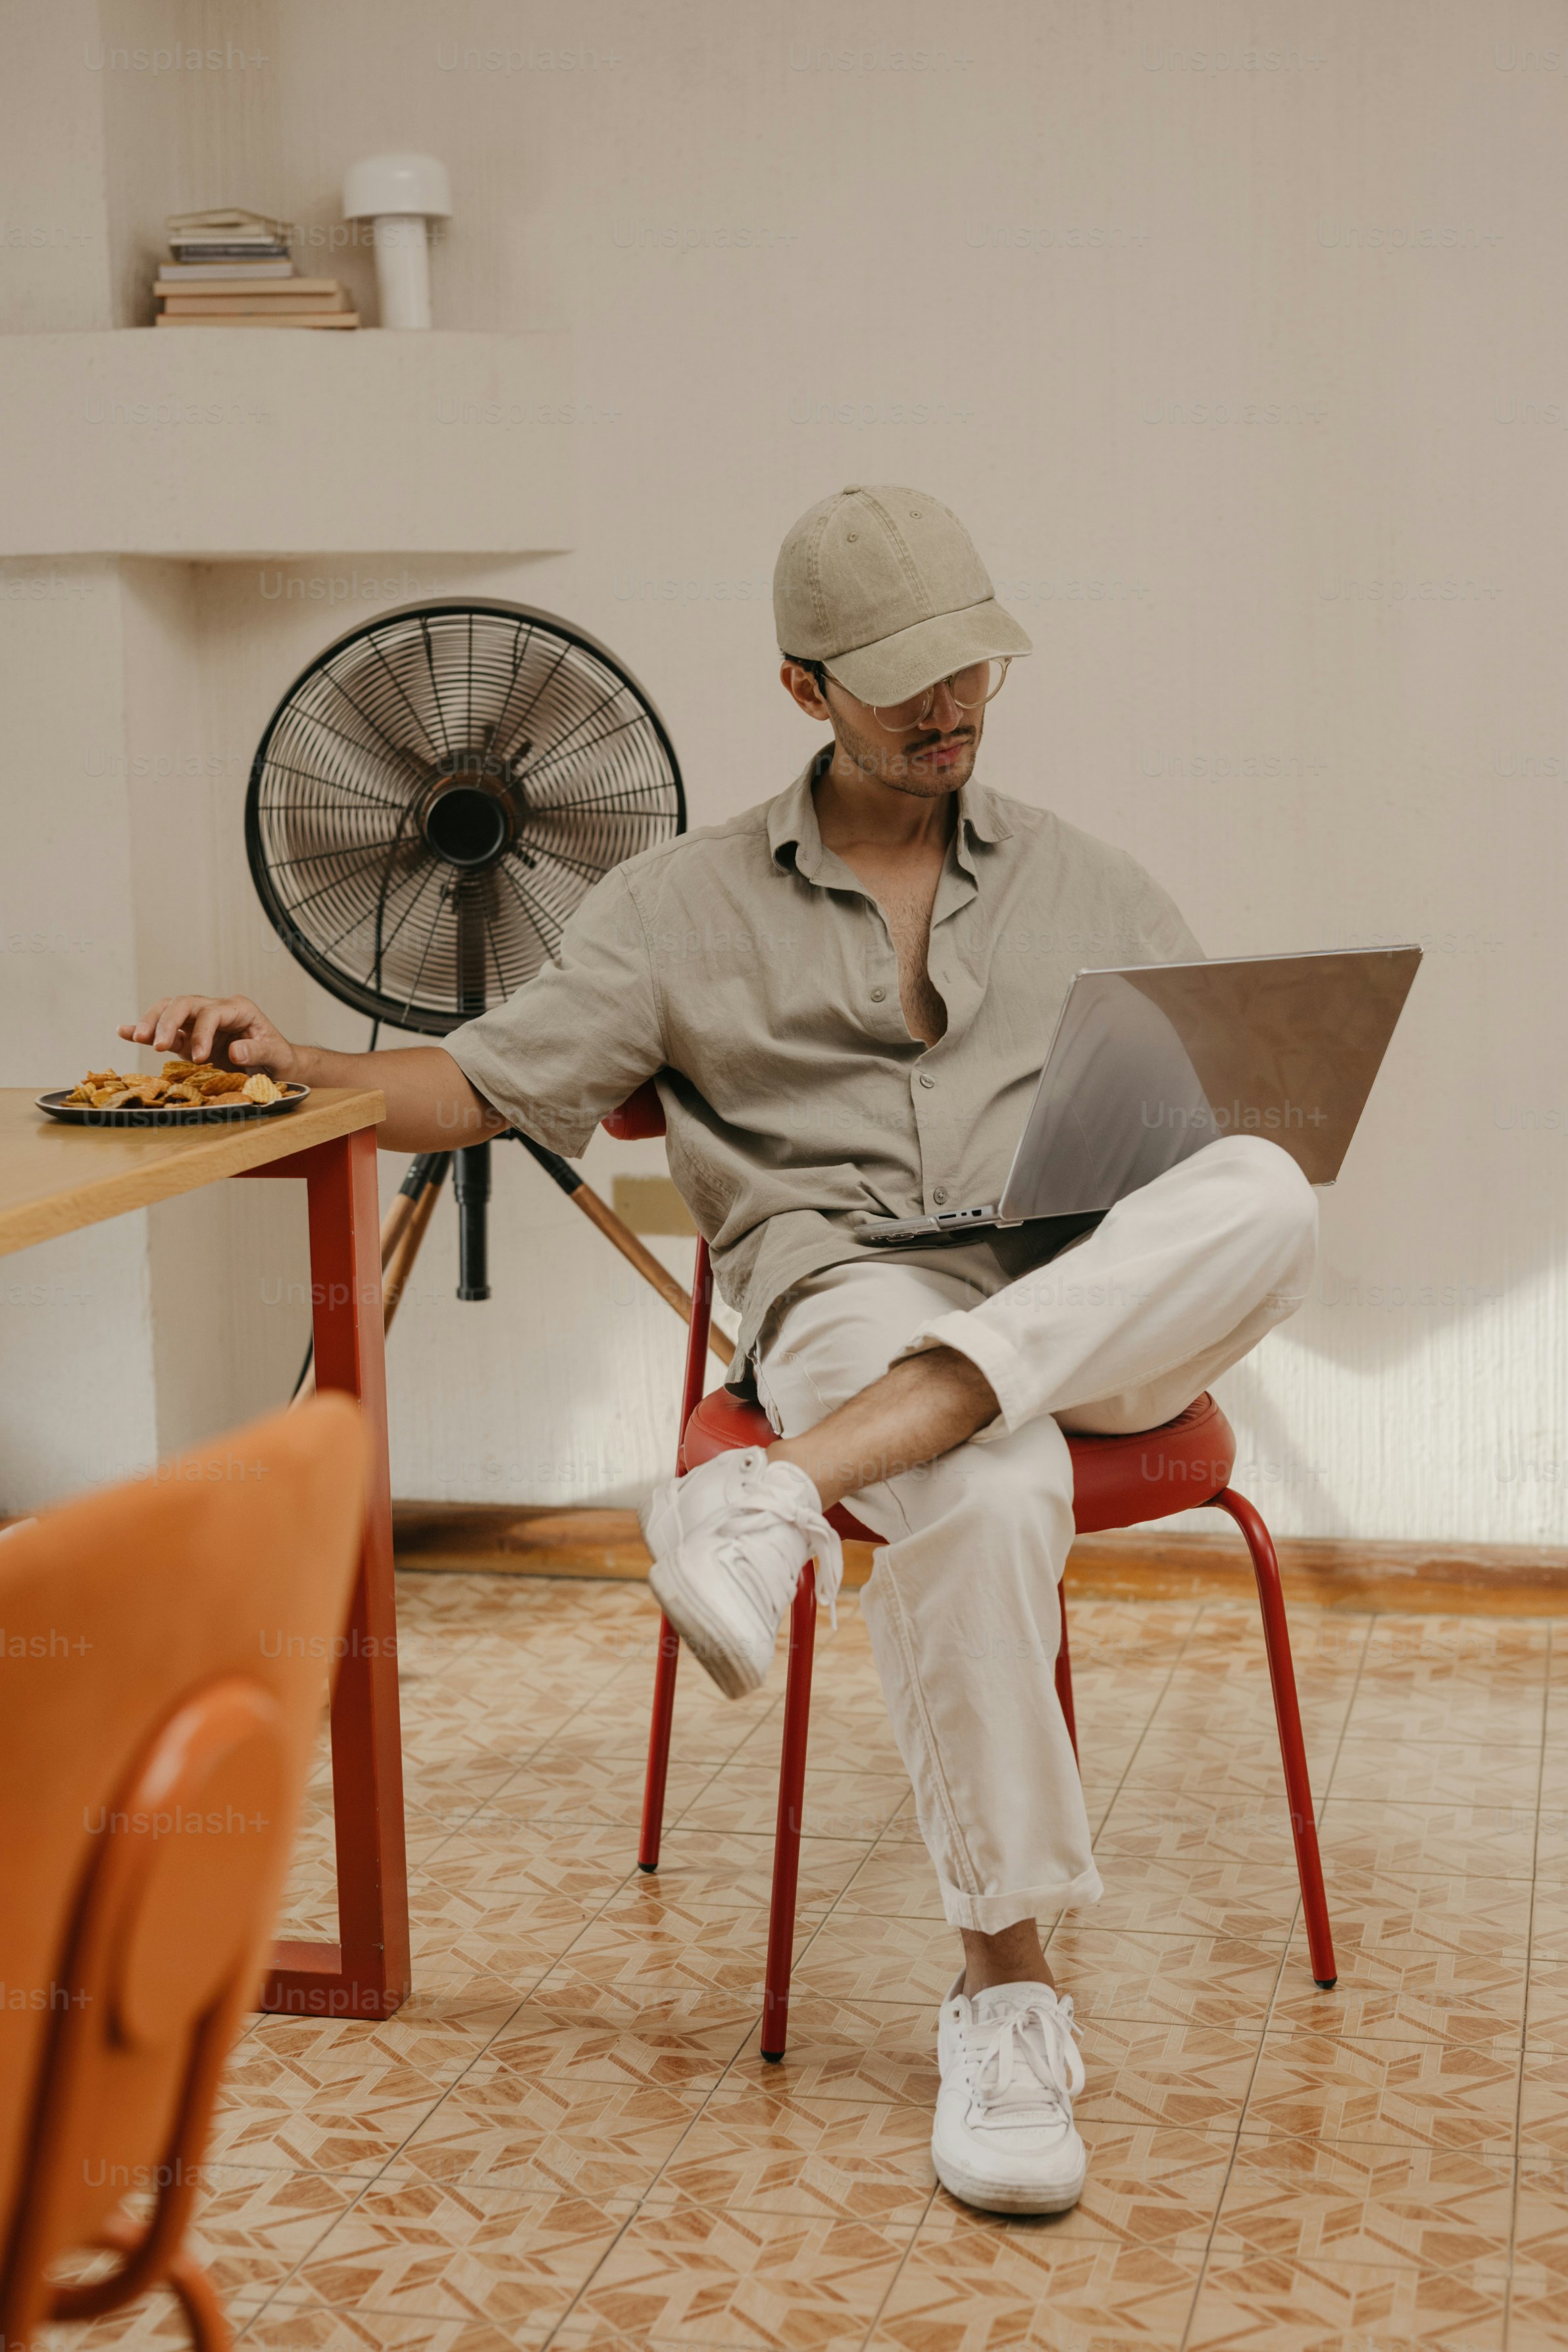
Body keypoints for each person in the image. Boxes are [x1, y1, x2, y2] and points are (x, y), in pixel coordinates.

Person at [121, 485, 1316, 2216]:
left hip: (1073, 1298)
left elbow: (1218, 1122)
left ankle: (776, 1494)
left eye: (973, 665)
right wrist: (295, 1057)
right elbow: (481, 1081)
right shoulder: (674, 908)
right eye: (905, 678)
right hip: (851, 1294)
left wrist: (1209, 1126)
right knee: (978, 1497)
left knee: (1269, 1186)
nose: (951, 704)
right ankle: (1007, 1995)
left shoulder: (1088, 881)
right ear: (799, 687)